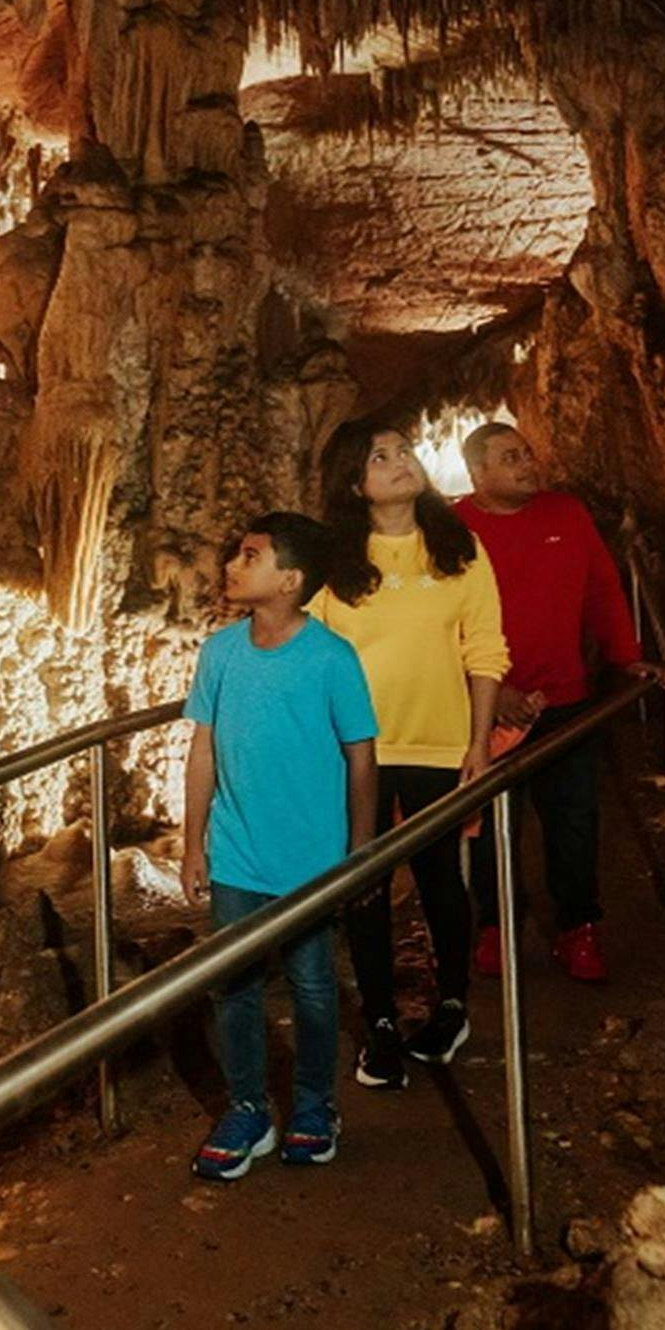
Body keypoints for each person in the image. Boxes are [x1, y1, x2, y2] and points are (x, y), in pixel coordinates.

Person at [309, 421, 508, 1090]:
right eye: (380, 456)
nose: (400, 463)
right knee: (364, 885)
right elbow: (305, 650)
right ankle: (382, 1024)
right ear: (355, 483)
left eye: (404, 451)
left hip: (440, 741)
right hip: (356, 750)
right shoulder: (335, 560)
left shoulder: (459, 548)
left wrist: (480, 743)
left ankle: (451, 1005)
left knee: (439, 879)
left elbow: (485, 649)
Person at [182, 512, 379, 1180]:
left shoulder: (331, 658)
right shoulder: (220, 652)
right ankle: (246, 1107)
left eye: (250, 556)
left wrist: (359, 849)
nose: (234, 565)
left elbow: (361, 755)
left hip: (311, 856)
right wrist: (192, 844)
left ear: (290, 580)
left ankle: (315, 1104)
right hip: (236, 848)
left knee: (314, 986)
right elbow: (202, 748)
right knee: (232, 986)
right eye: (239, 553)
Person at [453, 421, 661, 983]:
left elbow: (600, 587)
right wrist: (494, 694)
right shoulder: (453, 530)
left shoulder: (565, 515)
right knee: (494, 821)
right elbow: (439, 624)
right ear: (478, 473)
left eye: (526, 452)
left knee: (573, 819)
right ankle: (497, 926)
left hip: (566, 700)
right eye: (509, 457)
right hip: (486, 710)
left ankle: (578, 928)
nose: (527, 463)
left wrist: (625, 654)